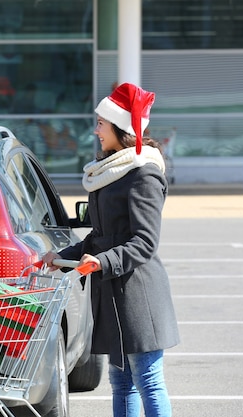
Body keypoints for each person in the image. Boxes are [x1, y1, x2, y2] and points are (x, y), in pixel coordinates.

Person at [43, 83, 180, 417]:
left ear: (120, 128)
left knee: (147, 379)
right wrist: (63, 258)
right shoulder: (110, 171)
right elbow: (100, 237)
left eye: (101, 123)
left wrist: (102, 262)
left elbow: (145, 242)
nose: (96, 130)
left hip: (138, 296)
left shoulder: (142, 174)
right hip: (112, 295)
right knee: (121, 383)